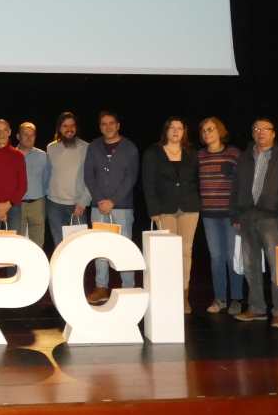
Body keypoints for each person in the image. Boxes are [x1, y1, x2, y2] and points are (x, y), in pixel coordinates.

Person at [231, 118, 278, 329]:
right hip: (247, 216)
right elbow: (235, 188)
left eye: (265, 129)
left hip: (273, 218)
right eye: (256, 129)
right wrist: (235, 215)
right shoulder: (244, 157)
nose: (260, 132)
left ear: (273, 133)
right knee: (251, 266)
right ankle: (257, 308)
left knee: (277, 267)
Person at [141, 117, 201, 314]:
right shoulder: (153, 152)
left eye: (179, 128)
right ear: (165, 131)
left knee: (186, 251)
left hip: (189, 208)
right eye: (172, 128)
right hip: (164, 209)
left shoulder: (192, 153)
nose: (176, 131)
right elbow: (148, 184)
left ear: (184, 131)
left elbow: (197, 181)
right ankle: (168, 295)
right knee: (168, 254)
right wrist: (153, 210)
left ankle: (184, 297)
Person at [83, 110, 139, 304]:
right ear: (100, 127)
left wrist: (113, 201)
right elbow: (89, 176)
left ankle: (128, 288)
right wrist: (100, 200)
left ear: (118, 126)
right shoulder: (93, 147)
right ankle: (101, 288)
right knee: (100, 249)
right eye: (103, 124)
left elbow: (130, 178)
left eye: (111, 123)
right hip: (98, 207)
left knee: (124, 248)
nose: (108, 127)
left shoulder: (130, 148)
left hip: (122, 207)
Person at [197, 116, 244, 316]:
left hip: (230, 215)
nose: (207, 133)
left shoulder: (233, 153)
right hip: (209, 215)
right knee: (216, 258)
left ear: (220, 131)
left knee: (232, 258)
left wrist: (240, 214)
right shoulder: (199, 156)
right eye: (204, 131)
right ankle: (220, 299)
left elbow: (242, 185)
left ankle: (236, 299)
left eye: (211, 129)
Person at [45, 111, 92, 248]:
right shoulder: (51, 148)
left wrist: (83, 201)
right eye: (65, 126)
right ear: (59, 128)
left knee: (79, 246)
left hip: (78, 205)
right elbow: (48, 174)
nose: (69, 129)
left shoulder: (87, 148)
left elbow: (91, 178)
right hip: (54, 205)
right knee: (60, 246)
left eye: (72, 125)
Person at [17, 122, 48, 247]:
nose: (29, 138)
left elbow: (47, 178)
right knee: (18, 241)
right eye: (25, 134)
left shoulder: (42, 156)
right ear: (18, 136)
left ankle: (36, 266)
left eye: (32, 135)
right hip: (17, 205)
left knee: (38, 242)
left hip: (37, 204)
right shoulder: (11, 155)